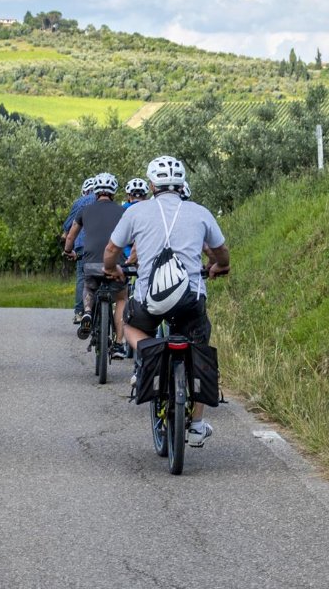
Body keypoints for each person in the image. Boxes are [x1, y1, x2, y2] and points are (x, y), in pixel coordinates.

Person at [103, 155, 229, 448]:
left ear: (151, 185)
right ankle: (197, 425)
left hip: (150, 298)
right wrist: (219, 267)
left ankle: (148, 353)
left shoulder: (136, 212)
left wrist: (112, 268)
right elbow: (221, 251)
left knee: (131, 325)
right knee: (198, 350)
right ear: (182, 184)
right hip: (191, 297)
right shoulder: (200, 212)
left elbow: (112, 248)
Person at [63, 172, 128, 358]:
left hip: (90, 262)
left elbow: (71, 236)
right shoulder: (123, 212)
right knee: (122, 298)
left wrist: (69, 251)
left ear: (95, 191)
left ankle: (88, 312)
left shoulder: (85, 210)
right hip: (115, 265)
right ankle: (118, 345)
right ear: (114, 191)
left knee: (89, 287)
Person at [61, 177, 96, 324]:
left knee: (82, 278)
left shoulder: (79, 203)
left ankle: (79, 313)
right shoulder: (106, 202)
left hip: (82, 246)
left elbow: (68, 227)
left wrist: (67, 248)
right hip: (102, 246)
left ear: (84, 191)